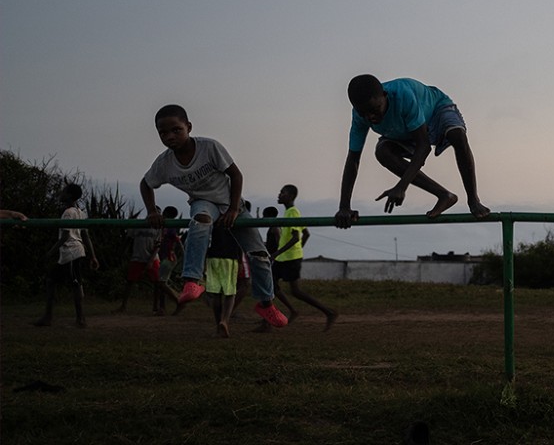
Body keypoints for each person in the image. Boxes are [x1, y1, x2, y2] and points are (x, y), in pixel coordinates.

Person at [139, 104, 287, 328]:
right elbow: (145, 184)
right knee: (200, 221)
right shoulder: (164, 163)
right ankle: (191, 280)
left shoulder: (209, 148)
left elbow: (236, 175)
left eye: (176, 130)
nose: (170, 136)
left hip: (231, 202)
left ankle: (266, 303)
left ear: (188, 127)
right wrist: (151, 210)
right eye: (163, 132)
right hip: (204, 203)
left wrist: (235, 209)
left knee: (260, 255)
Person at [334, 75, 490, 228]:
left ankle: (473, 200)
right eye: (364, 113)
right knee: (383, 152)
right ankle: (444, 195)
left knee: (457, 136)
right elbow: (353, 159)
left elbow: (424, 147)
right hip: (406, 130)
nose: (371, 117)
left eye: (375, 110)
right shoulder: (359, 117)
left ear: (385, 96)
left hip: (436, 111)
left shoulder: (403, 95)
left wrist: (401, 187)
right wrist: (344, 207)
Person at [272, 184, 338, 330]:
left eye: (282, 192)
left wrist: (280, 252)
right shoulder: (291, 212)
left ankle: (328, 312)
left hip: (288, 258)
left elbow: (297, 237)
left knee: (294, 291)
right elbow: (306, 233)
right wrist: (296, 250)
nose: (279, 195)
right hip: (284, 258)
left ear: (290, 196)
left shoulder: (293, 212)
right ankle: (284, 313)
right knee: (271, 286)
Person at [33, 184, 100, 327]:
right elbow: (86, 236)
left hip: (71, 252)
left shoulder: (68, 213)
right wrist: (93, 256)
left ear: (69, 195)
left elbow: (65, 236)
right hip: (71, 253)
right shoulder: (80, 212)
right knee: (52, 280)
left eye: (64, 191)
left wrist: (50, 252)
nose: (61, 193)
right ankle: (48, 317)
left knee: (75, 283)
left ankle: (80, 319)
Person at [115, 206, 163, 314]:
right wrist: (122, 253)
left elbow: (157, 246)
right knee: (130, 281)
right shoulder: (137, 225)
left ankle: (156, 307)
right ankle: (123, 306)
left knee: (157, 283)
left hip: (152, 257)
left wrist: (151, 261)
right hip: (137, 257)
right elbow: (128, 239)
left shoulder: (159, 228)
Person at [206, 226, 241, 338]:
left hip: (213, 257)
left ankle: (218, 325)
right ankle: (224, 321)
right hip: (230, 258)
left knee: (216, 295)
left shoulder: (213, 217)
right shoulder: (234, 220)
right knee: (230, 293)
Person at [156, 206, 185, 314]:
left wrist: (183, 254)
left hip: (168, 258)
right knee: (161, 284)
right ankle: (162, 307)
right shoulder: (165, 226)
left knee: (161, 283)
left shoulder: (170, 227)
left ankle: (179, 300)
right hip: (165, 257)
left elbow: (177, 240)